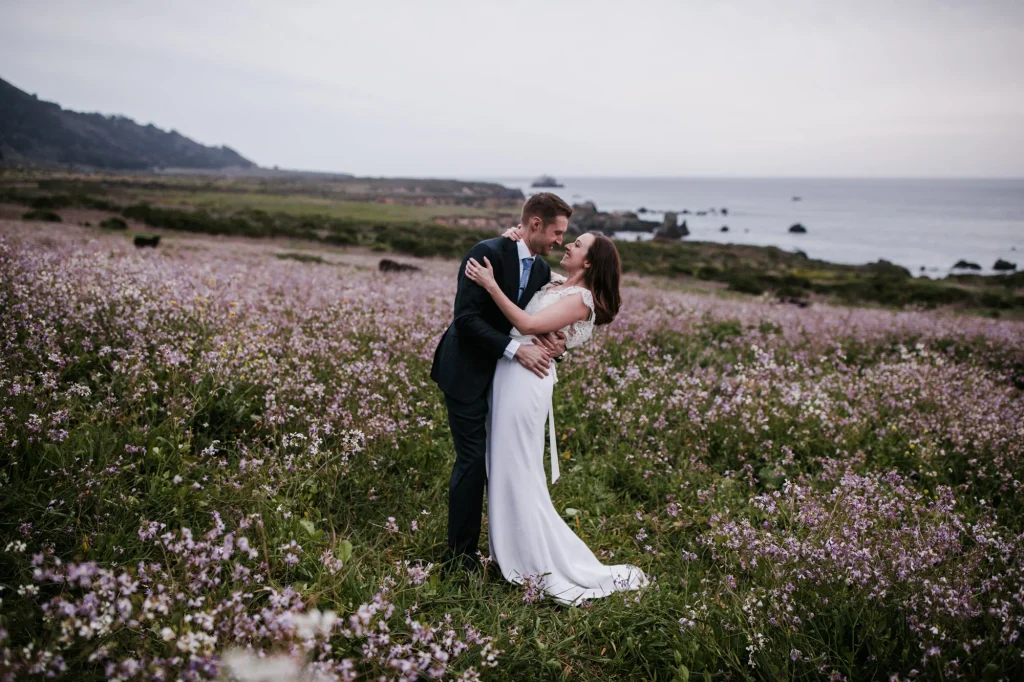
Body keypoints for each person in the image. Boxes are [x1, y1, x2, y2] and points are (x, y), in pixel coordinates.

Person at [461, 224, 649, 605]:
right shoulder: (557, 282)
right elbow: (527, 265)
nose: (567, 245)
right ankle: (508, 550)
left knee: (518, 466)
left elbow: (528, 324)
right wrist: (514, 235)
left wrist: (490, 284)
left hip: (528, 379)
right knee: (502, 463)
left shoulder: (581, 298)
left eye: (576, 244)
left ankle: (531, 559)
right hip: (509, 372)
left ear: (589, 262)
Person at [431, 193, 571, 573]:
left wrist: (555, 347)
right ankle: (460, 559)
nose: (560, 241)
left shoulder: (541, 271)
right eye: (557, 232)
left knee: (503, 461)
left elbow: (532, 324)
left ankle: (509, 550)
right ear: (536, 224)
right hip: (465, 372)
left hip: (505, 381)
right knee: (473, 460)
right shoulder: (486, 252)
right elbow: (465, 319)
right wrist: (515, 350)